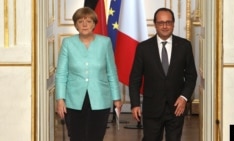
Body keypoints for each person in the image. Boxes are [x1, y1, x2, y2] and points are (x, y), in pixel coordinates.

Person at [129, 7, 197, 141]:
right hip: (152, 108)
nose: (165, 26)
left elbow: (191, 76)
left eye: (168, 22)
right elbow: (135, 79)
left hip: (176, 107)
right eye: (161, 23)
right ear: (155, 24)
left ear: (173, 24)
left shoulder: (184, 46)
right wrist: (135, 104)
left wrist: (184, 97)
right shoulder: (143, 48)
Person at [55, 7, 122, 141]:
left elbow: (112, 72)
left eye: (88, 21)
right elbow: (61, 74)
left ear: (94, 24)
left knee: (96, 137)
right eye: (80, 21)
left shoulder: (105, 42)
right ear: (75, 25)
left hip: (100, 100)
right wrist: (60, 99)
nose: (84, 25)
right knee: (76, 137)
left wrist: (117, 98)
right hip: (73, 100)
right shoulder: (68, 43)